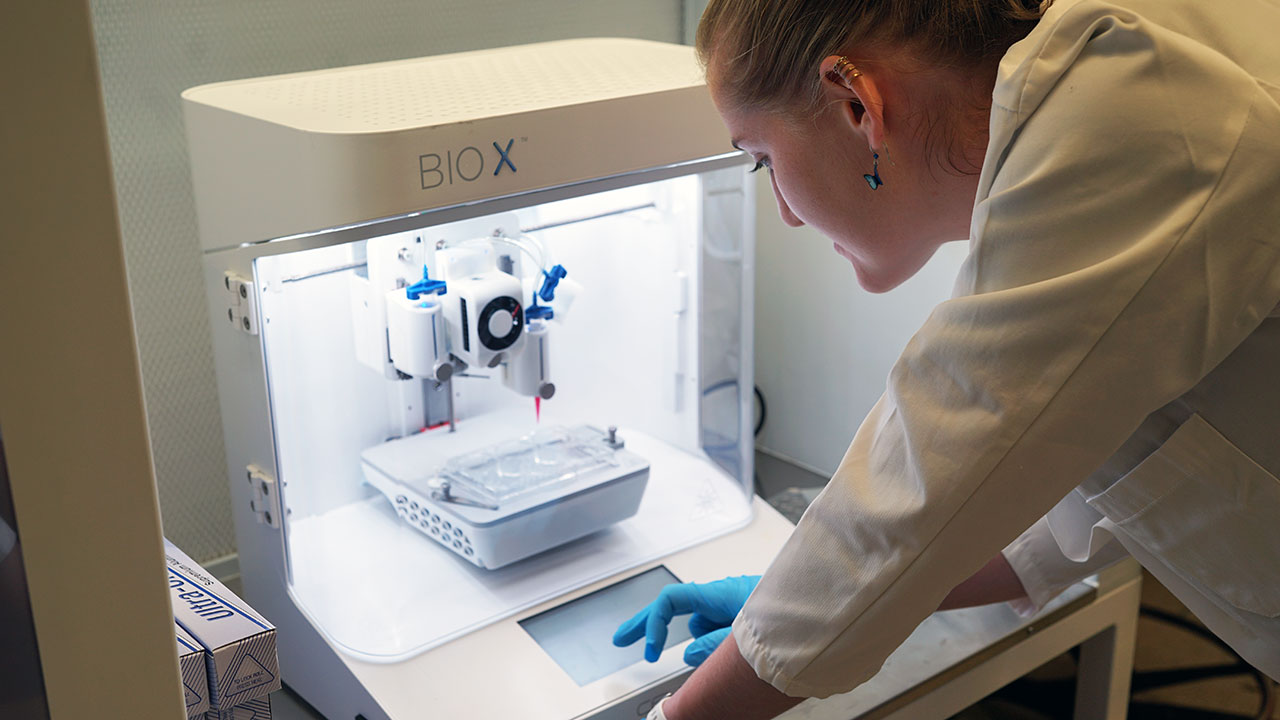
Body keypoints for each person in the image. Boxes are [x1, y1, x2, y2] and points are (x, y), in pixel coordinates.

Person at [612, 0, 1280, 717]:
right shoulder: (1096, 103)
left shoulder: (1137, 107)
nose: (783, 211)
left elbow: (936, 469)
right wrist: (774, 601)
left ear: (855, 106)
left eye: (761, 160)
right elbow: (1059, 462)